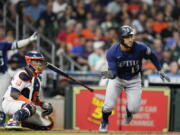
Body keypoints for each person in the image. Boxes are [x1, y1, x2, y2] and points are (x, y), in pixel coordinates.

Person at [99, 25, 170, 133]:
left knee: (134, 109)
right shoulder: (112, 52)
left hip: (134, 79)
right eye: (127, 37)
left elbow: (152, 55)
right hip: (117, 78)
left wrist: (159, 69)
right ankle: (104, 121)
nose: (131, 39)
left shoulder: (140, 47)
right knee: (108, 106)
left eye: (131, 36)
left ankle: (128, 112)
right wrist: (104, 74)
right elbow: (113, 73)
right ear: (121, 38)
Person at [2, 51, 53, 130]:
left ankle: (22, 122)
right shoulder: (23, 74)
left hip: (23, 105)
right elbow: (14, 93)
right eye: (36, 61)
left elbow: (34, 100)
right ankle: (13, 121)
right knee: (30, 106)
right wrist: (29, 103)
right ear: (29, 61)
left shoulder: (37, 80)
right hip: (10, 102)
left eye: (40, 61)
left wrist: (42, 104)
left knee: (47, 124)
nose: (39, 63)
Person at [0, 32, 38, 126]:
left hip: (2, 74)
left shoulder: (2, 44)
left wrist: (28, 40)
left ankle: (2, 118)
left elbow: (16, 45)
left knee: (1, 97)